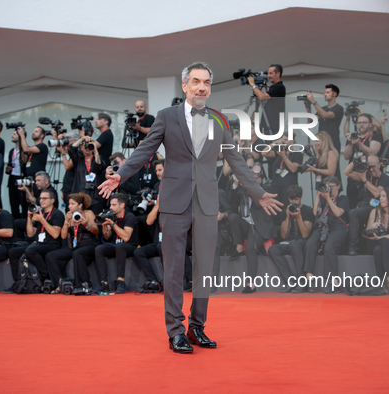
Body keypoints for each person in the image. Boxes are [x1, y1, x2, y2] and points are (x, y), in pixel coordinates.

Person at [98, 61, 281, 354]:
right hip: (174, 202)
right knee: (173, 269)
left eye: (206, 82)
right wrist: (121, 175)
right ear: (185, 86)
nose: (202, 87)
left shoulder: (219, 119)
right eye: (196, 81)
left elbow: (236, 162)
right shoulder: (167, 116)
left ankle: (197, 327)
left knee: (204, 269)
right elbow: (145, 151)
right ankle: (175, 331)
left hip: (207, 203)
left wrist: (258, 193)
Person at [4, 189, 65, 293]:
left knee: (31, 251)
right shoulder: (40, 213)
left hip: (52, 244)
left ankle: (45, 275)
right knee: (13, 252)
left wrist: (42, 220)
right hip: (38, 244)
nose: (41, 201)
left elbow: (55, 234)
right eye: (40, 198)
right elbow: (30, 234)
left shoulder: (57, 214)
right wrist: (29, 218)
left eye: (44, 198)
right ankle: (18, 282)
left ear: (52, 200)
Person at [226, 169, 277, 294]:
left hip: (259, 226)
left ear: (259, 179)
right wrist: (237, 184)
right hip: (245, 224)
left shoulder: (266, 189)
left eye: (254, 179)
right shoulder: (243, 189)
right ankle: (238, 247)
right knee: (233, 217)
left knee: (250, 248)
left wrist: (250, 188)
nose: (252, 181)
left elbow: (259, 204)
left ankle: (251, 284)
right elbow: (231, 199)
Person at [45, 193, 99, 293]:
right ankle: (60, 283)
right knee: (51, 256)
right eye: (69, 204)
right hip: (75, 246)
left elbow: (96, 231)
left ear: (80, 205)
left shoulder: (88, 213)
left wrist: (86, 223)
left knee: (77, 254)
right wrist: (66, 221)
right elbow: (63, 236)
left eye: (72, 204)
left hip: (89, 244)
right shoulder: (69, 216)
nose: (69, 206)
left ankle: (84, 284)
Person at [303, 176, 349, 294]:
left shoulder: (343, 198)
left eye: (332, 187)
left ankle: (334, 282)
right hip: (323, 225)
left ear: (338, 186)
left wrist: (328, 198)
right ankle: (309, 278)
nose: (329, 190)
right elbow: (315, 213)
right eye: (327, 187)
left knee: (329, 248)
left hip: (337, 226)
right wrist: (318, 197)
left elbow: (338, 212)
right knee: (310, 244)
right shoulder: (323, 199)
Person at [267, 185, 314, 293]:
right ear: (288, 199)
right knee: (272, 249)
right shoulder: (285, 212)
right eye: (292, 199)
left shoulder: (307, 210)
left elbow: (306, 234)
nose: (294, 202)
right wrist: (288, 217)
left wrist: (299, 217)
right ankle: (290, 281)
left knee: (295, 245)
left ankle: (301, 281)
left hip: (302, 242)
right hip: (289, 242)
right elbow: (283, 235)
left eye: (296, 199)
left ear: (301, 197)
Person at [345, 155, 389, 256]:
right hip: (364, 205)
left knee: (354, 213)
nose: (371, 169)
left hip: (377, 206)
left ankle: (352, 246)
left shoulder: (384, 178)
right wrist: (356, 161)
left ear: (379, 165)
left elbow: (377, 194)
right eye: (369, 166)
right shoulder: (367, 175)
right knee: (351, 213)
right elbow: (346, 172)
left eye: (373, 166)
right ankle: (355, 245)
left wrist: (364, 180)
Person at [94, 193, 139, 294]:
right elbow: (106, 236)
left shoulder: (129, 217)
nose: (111, 207)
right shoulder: (112, 216)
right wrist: (104, 224)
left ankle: (121, 281)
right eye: (110, 205)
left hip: (130, 246)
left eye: (114, 205)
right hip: (116, 245)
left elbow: (126, 237)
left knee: (120, 246)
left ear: (122, 205)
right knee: (99, 249)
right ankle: (104, 282)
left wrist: (113, 224)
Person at [364, 187, 389, 292]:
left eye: (383, 196)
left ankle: (381, 285)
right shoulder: (375, 212)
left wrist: (381, 237)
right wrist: (373, 227)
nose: (381, 199)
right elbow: (367, 232)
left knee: (379, 249)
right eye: (380, 196)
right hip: (375, 241)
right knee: (378, 247)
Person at [343, 113, 383, 208]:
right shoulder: (354, 136)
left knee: (367, 206)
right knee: (352, 206)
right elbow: (346, 156)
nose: (361, 125)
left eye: (364, 122)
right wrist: (350, 143)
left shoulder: (375, 136)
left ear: (370, 124)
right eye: (359, 122)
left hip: (368, 177)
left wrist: (359, 143)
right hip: (353, 175)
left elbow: (373, 152)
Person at [248, 64, 285, 134]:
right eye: (268, 73)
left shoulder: (279, 87)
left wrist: (253, 85)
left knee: (271, 144)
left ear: (278, 74)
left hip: (273, 126)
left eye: (271, 73)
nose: (269, 76)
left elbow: (262, 97)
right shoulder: (273, 87)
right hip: (269, 125)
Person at [307, 84, 344, 152]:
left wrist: (314, 102)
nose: (325, 94)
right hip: (321, 142)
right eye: (325, 92)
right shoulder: (323, 109)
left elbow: (325, 115)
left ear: (335, 94)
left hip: (332, 142)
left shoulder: (339, 108)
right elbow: (311, 120)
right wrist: (308, 106)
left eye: (328, 92)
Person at [6, 129, 27, 218]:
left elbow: (24, 161)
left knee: (23, 202)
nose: (12, 135)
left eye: (14, 134)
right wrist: (8, 169)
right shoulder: (11, 151)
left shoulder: (25, 149)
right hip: (12, 178)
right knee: (13, 203)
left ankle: (24, 222)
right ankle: (15, 222)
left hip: (21, 178)